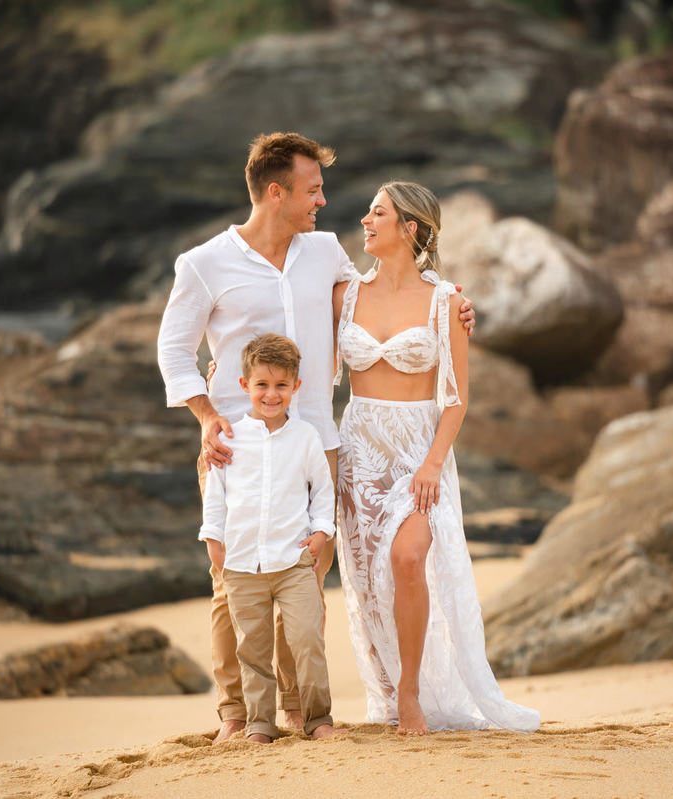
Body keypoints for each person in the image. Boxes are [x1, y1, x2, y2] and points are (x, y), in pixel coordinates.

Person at [157, 132, 474, 742]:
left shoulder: (326, 252)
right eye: (313, 189)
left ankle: (301, 710)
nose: (324, 202)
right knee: (233, 582)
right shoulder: (203, 264)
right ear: (276, 194)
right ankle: (235, 714)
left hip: (320, 440)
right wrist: (204, 416)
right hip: (235, 446)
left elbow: (380, 300)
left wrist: (453, 308)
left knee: (306, 575)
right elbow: (174, 350)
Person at [333, 181, 540, 735]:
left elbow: (455, 398)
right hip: (359, 454)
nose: (365, 222)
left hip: (418, 452)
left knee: (407, 558)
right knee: (369, 580)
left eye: (377, 213)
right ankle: (386, 687)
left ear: (410, 229)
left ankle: (410, 697)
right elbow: (305, 370)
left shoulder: (447, 302)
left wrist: (430, 464)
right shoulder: (344, 295)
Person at [199, 334, 340, 743]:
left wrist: (321, 532)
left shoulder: (306, 438)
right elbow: (216, 494)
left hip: (294, 562)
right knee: (252, 650)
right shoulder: (228, 439)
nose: (271, 394)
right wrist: (213, 538)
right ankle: (259, 724)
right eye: (262, 385)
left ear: (296, 387)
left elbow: (323, 491)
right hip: (242, 563)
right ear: (245, 386)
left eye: (281, 385)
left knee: (307, 640)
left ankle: (318, 719)